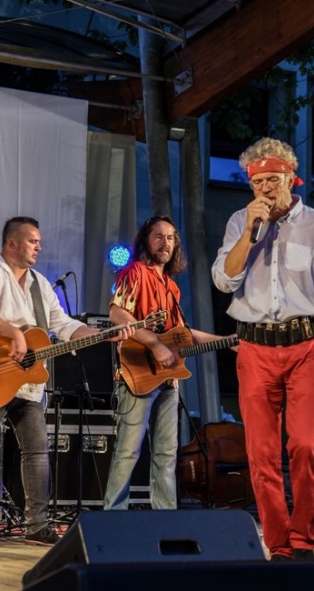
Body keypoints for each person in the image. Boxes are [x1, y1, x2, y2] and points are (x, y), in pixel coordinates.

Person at [0, 216, 130, 547]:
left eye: (39, 241)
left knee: (37, 452)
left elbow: (63, 324)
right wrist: (14, 334)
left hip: (28, 385)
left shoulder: (39, 284)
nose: (39, 247)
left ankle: (36, 525)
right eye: (33, 241)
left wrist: (103, 334)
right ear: (12, 243)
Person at [211, 137, 314, 561]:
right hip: (256, 348)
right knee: (260, 453)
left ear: (291, 178)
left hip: (308, 345)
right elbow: (224, 280)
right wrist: (250, 233)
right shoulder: (240, 221)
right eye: (257, 183)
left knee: (306, 446)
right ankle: (278, 545)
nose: (265, 189)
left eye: (272, 180)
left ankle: (303, 539)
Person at [104, 215, 229, 510]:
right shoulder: (135, 272)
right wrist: (155, 344)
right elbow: (117, 313)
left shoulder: (171, 287)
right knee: (128, 451)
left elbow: (183, 335)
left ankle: (166, 516)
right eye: (159, 236)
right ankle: (113, 516)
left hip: (168, 378)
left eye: (171, 237)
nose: (166, 243)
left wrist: (228, 340)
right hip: (138, 374)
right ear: (146, 241)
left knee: (166, 453)